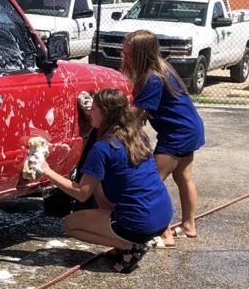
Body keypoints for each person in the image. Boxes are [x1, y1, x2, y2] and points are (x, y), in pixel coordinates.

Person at [38, 88, 173, 273]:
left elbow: (82, 193)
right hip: (163, 216)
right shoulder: (137, 136)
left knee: (71, 225)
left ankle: (129, 247)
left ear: (106, 114)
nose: (89, 112)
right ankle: (127, 242)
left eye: (93, 109)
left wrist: (47, 171)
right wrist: (91, 110)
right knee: (98, 186)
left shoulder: (101, 148)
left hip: (139, 224)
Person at [121, 29, 205, 246]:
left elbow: (135, 113)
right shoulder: (163, 69)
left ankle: (165, 233)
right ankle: (188, 225)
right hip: (190, 128)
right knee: (183, 177)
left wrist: (107, 111)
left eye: (129, 54)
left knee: (152, 183)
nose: (124, 57)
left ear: (142, 55)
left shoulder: (152, 79)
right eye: (123, 52)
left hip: (177, 133)